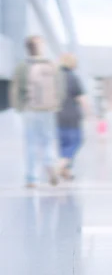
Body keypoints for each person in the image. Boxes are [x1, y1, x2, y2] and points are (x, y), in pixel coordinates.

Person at [10, 36, 64, 187]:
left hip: (30, 109)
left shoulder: (23, 66)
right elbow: (60, 87)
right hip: (48, 109)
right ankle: (50, 167)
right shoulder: (51, 65)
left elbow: (16, 89)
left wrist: (19, 107)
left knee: (31, 143)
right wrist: (57, 103)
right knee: (48, 141)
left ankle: (31, 177)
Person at [56, 53, 89, 180]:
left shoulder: (56, 77)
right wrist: (89, 114)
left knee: (63, 144)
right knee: (76, 141)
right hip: (72, 116)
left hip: (58, 115)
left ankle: (66, 171)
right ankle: (61, 165)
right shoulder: (73, 77)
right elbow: (81, 98)